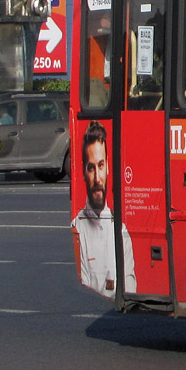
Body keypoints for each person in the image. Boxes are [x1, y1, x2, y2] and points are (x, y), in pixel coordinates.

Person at [72, 121, 136, 297]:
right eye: (91, 168)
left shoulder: (121, 229)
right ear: (84, 173)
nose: (97, 178)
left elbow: (130, 288)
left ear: (108, 167)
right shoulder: (78, 229)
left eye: (100, 166)